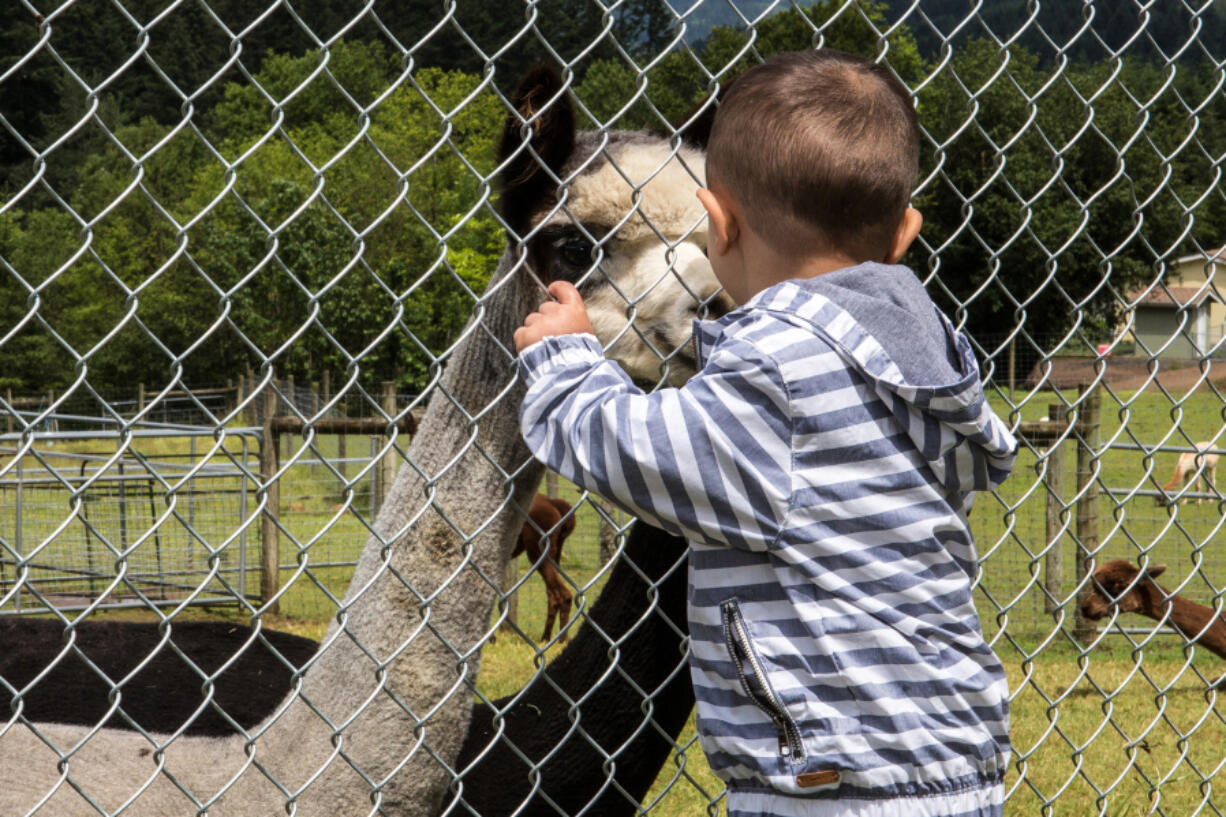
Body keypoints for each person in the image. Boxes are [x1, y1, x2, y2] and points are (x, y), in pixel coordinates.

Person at [512, 49, 1017, 817]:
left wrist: (565, 361)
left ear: (717, 225)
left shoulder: (777, 377)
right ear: (906, 231)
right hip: (956, 762)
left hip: (831, 782)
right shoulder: (927, 354)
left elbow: (635, 450)